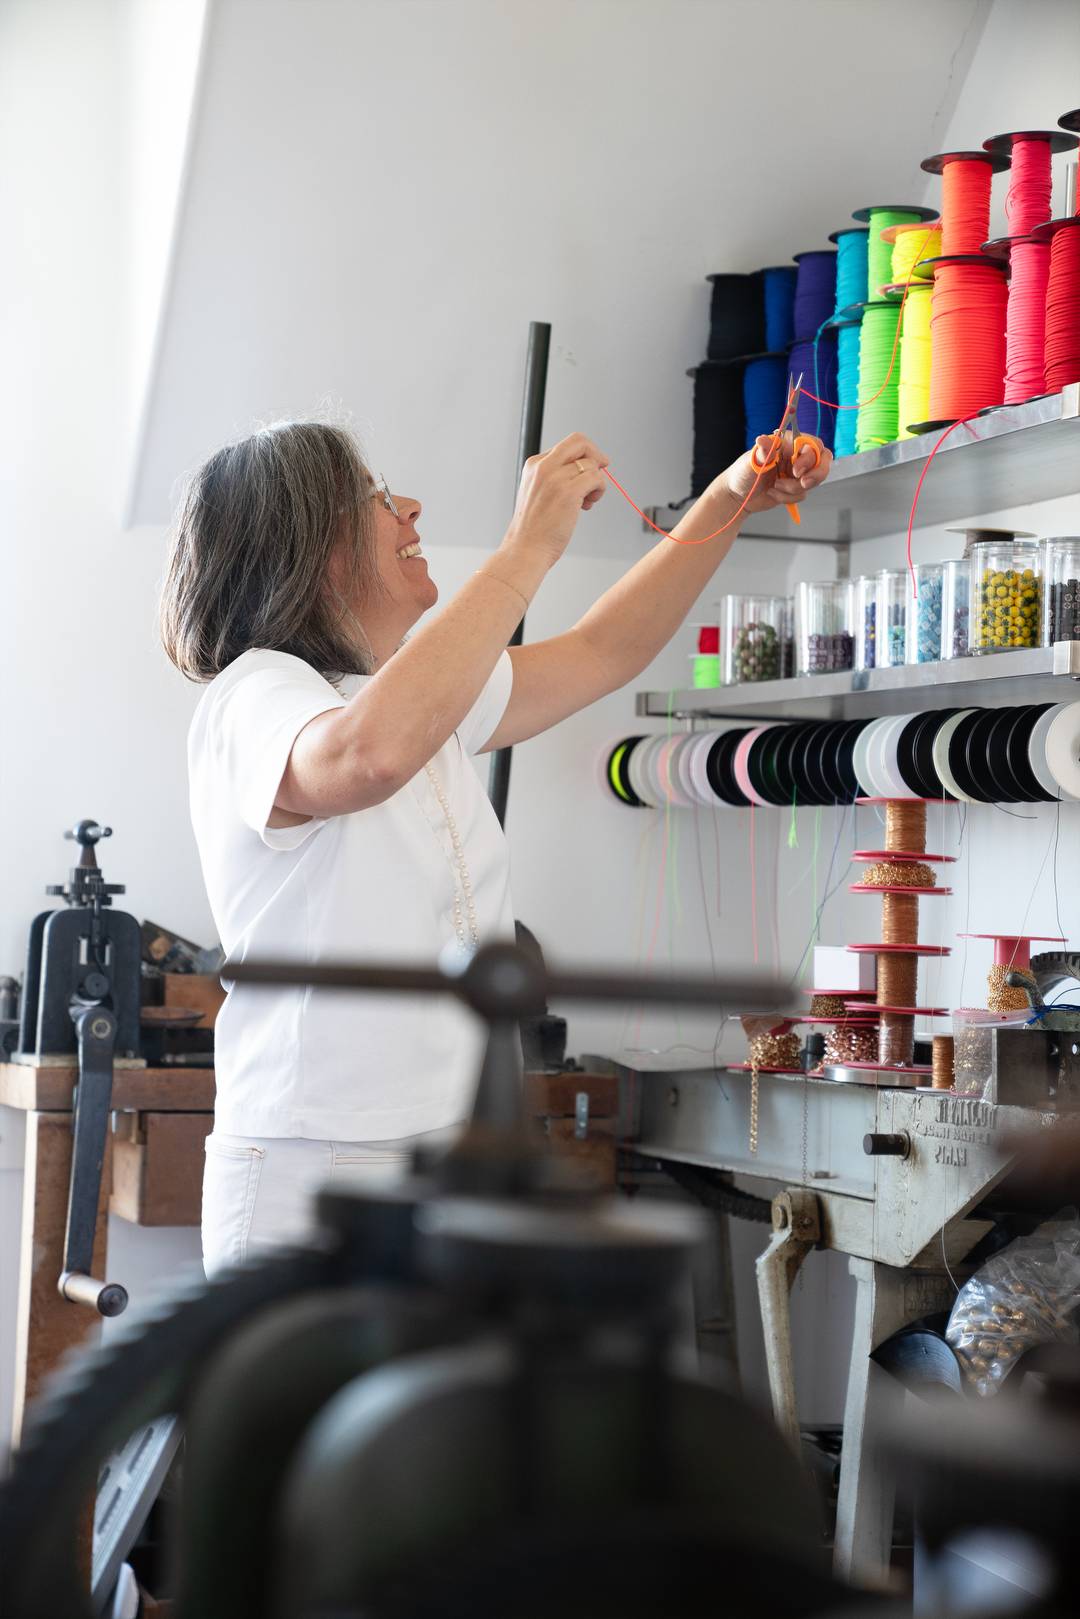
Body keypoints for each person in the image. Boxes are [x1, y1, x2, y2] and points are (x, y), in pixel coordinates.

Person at [160, 420, 831, 1274]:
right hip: (314, 1164)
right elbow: (363, 757)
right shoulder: (254, 691)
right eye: (376, 500)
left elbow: (601, 650)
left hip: (442, 1147)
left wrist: (727, 500)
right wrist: (524, 549)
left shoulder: (400, 693)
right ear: (308, 549)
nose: (409, 508)